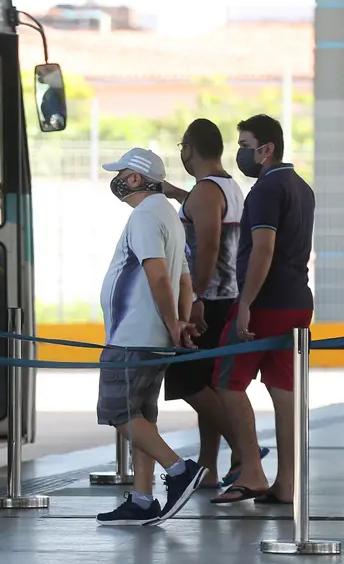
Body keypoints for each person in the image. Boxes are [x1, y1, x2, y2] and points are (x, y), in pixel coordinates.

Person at [92, 147, 206, 526]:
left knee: (118, 412)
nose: (118, 180)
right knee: (141, 415)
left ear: (136, 178)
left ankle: (179, 470)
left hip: (132, 336)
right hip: (153, 337)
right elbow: (184, 280)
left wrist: (174, 323)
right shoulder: (169, 215)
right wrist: (180, 324)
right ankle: (142, 499)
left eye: (121, 173)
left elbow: (158, 275)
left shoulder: (144, 215)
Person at [214, 114, 315, 506]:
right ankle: (287, 482)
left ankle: (252, 472)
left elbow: (264, 248)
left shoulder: (266, 189)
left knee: (227, 381)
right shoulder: (301, 187)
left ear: (266, 149)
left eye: (244, 145)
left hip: (266, 303)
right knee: (283, 388)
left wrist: (245, 303)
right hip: (297, 301)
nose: (240, 153)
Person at [160, 119, 245, 495]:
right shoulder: (225, 186)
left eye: (182, 147)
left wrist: (195, 297)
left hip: (210, 302)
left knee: (186, 382)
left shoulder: (207, 192)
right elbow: (201, 213)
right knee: (209, 385)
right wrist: (176, 193)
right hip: (226, 297)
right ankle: (209, 467)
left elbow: (207, 246)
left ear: (189, 149)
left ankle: (245, 450)